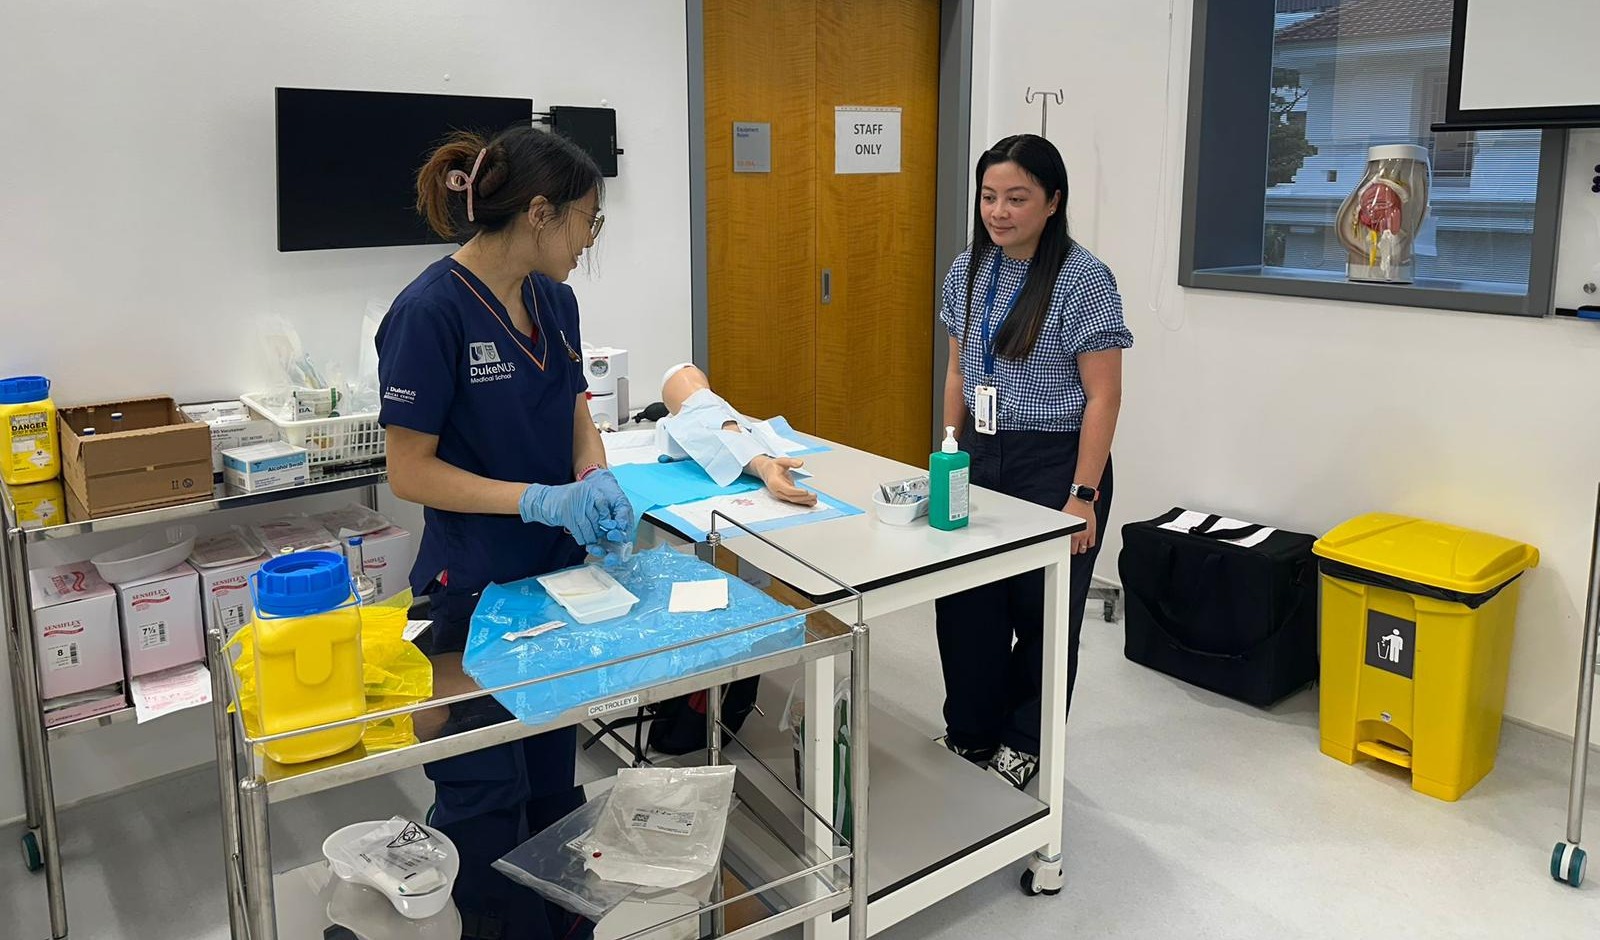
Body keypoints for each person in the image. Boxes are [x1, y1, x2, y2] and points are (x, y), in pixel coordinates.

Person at [376, 124, 631, 939]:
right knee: (487, 802)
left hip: (555, 588)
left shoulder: (556, 301)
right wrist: (534, 500)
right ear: (540, 212)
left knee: (555, 789)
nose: (591, 239)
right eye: (588, 219)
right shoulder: (428, 313)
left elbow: (575, 410)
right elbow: (408, 471)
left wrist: (592, 476)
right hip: (473, 596)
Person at [934, 134, 1132, 790]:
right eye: (990, 196)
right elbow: (959, 370)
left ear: (1053, 202)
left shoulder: (1083, 279)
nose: (999, 211)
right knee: (967, 602)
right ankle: (971, 732)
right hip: (979, 453)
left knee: (1043, 613)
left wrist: (1085, 492)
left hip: (1055, 462)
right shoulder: (969, 267)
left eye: (1017, 198)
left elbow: (1104, 394)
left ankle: (1026, 740)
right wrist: (948, 443)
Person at [657, 362, 816, 505]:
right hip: (700, 408)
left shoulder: (709, 410)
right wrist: (764, 467)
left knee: (711, 411)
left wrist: (765, 467)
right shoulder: (703, 407)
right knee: (705, 407)